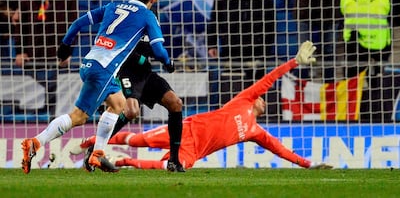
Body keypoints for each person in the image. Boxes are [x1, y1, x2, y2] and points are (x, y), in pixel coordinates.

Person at [72, 41, 332, 170]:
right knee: (138, 139)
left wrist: (307, 165)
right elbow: (268, 80)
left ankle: (122, 162)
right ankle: (90, 143)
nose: (262, 98)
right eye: (260, 97)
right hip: (187, 130)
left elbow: (280, 150)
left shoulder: (256, 132)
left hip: (194, 151)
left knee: (173, 167)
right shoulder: (244, 100)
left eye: (263, 99)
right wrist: (294, 63)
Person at [20, 0, 175, 174]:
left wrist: (65, 48)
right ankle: (35, 143)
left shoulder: (112, 6)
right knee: (79, 116)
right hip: (104, 69)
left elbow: (77, 23)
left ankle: (97, 154)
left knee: (118, 103)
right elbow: (158, 50)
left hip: (90, 62)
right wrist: (168, 63)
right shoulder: (147, 15)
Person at [83, 0, 184, 173]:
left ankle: (174, 160)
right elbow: (123, 48)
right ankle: (95, 151)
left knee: (175, 103)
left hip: (144, 72)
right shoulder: (135, 14)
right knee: (130, 110)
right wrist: (159, 59)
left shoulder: (151, 15)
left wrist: (159, 57)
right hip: (126, 70)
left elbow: (151, 48)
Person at [207, 0, 275, 105]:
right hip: (231, 45)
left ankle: (256, 118)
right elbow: (215, 16)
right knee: (232, 86)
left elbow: (270, 18)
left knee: (255, 87)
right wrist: (212, 42)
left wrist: (267, 45)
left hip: (256, 46)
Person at [13, 0, 78, 117]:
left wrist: (67, 52)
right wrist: (19, 51)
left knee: (56, 84)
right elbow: (21, 26)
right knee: (49, 85)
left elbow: (73, 27)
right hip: (32, 53)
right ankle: (46, 110)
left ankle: (52, 114)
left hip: (57, 53)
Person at [340, 0, 391, 78]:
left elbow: (343, 10)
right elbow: (387, 10)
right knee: (378, 76)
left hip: (354, 39)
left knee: (353, 77)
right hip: (379, 39)